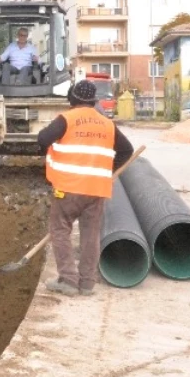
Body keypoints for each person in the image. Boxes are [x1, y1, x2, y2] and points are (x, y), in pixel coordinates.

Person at [37, 79, 135, 296]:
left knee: (60, 230)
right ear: (93, 101)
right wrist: (107, 171)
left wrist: (48, 152)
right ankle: (87, 283)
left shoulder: (67, 119)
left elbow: (42, 138)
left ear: (72, 99)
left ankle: (69, 280)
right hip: (96, 190)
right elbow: (127, 150)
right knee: (91, 235)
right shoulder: (107, 124)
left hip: (68, 188)